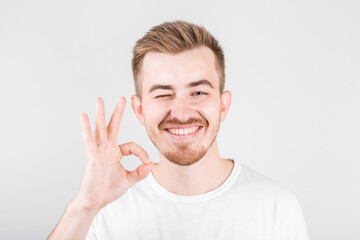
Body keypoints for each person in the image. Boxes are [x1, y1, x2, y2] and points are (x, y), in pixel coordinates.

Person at [47, 20, 309, 240]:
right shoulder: (102, 208)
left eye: (198, 92)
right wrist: (85, 207)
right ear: (139, 110)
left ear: (223, 105)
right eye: (163, 94)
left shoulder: (277, 209)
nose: (181, 112)